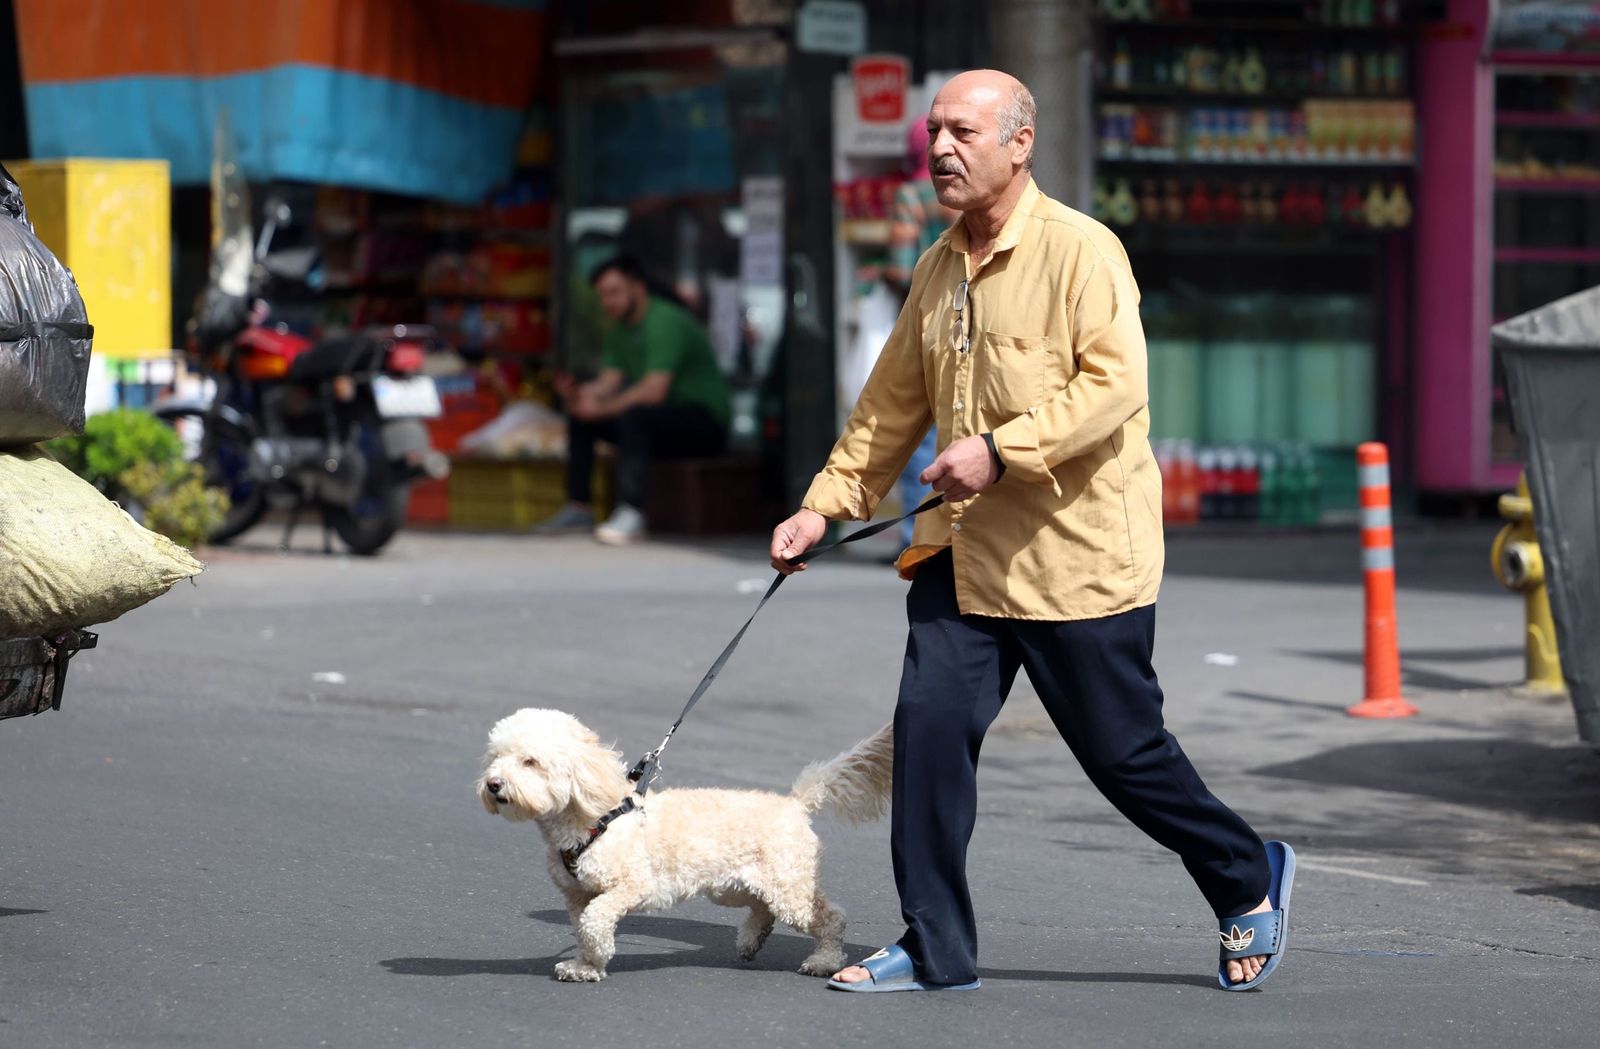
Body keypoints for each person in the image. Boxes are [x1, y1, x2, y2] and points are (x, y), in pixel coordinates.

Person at [769, 70, 1294, 994]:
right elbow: (888, 411)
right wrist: (823, 505)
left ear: (1019, 143)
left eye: (962, 131)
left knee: (1125, 756)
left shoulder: (1083, 251)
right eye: (933, 132)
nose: (939, 149)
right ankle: (936, 947)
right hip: (962, 553)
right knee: (928, 734)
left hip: (1076, 556)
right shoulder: (936, 267)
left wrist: (1001, 451)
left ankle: (1247, 874)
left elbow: (1114, 385)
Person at [541, 255, 731, 544]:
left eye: (614, 292)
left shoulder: (665, 320)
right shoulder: (619, 331)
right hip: (662, 421)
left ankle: (632, 511)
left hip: (704, 421)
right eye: (603, 296)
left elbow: (654, 392)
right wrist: (578, 394)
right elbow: (607, 384)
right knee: (583, 420)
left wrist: (601, 409)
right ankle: (579, 506)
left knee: (635, 417)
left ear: (637, 288)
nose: (607, 303)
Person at [887, 119, 959, 547]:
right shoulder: (974, 194)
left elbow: (901, 270)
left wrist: (880, 274)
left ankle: (916, 536)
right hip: (971, 324)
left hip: (927, 325)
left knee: (920, 433)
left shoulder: (912, 195)